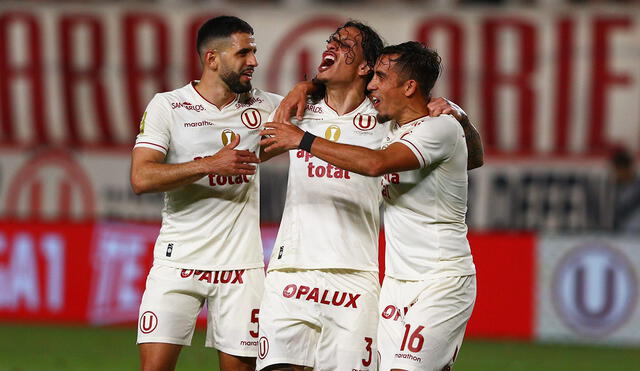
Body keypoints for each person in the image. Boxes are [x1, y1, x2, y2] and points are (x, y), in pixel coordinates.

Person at [257, 22, 483, 370]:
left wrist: (458, 115)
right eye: (331, 40)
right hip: (389, 280)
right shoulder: (387, 122)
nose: (374, 84)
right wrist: (304, 86)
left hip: (433, 276)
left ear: (407, 86)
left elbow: (379, 163)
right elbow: (256, 152)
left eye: (344, 43)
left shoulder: (404, 125)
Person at [130, 16, 284, 371]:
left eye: (255, 52)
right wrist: (208, 165)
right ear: (212, 59)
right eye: (244, 52)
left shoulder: (265, 106)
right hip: (177, 261)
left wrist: (437, 106)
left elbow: (329, 110)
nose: (254, 62)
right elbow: (141, 177)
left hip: (241, 269)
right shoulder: (167, 106)